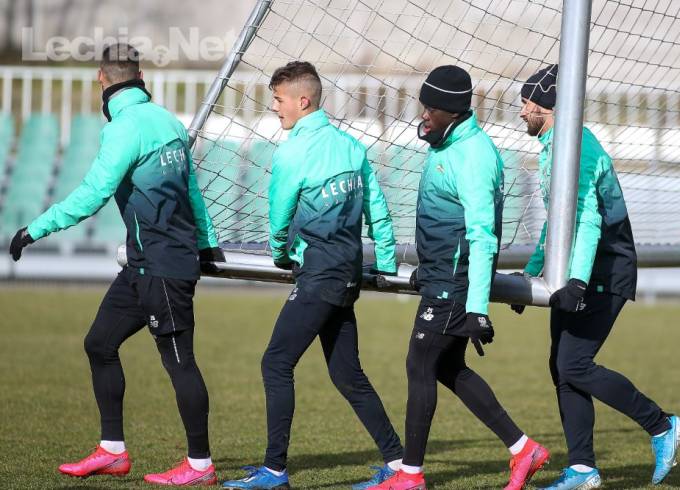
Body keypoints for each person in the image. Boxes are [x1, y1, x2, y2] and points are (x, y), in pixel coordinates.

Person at [8, 43, 224, 486]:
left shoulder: (123, 129)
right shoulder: (167, 120)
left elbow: (92, 194)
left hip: (163, 266)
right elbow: (193, 191)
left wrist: (34, 229)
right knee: (99, 344)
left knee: (179, 362)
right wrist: (207, 242)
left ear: (101, 79)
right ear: (140, 77)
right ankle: (112, 451)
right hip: (143, 266)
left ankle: (200, 465)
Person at [222, 61, 403, 490]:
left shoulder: (292, 152)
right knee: (347, 375)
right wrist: (387, 263)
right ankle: (400, 465)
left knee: (276, 363)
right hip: (348, 273)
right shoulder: (352, 146)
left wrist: (281, 256)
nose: (275, 107)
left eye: (279, 99)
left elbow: (280, 215)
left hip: (320, 274)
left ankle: (274, 471)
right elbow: (378, 210)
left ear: (302, 101)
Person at [370, 65, 549, 490]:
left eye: (431, 108)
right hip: (441, 277)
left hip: (456, 283)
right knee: (448, 367)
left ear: (453, 111)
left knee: (419, 364)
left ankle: (410, 475)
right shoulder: (446, 143)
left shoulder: (474, 156)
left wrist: (476, 309)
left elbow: (483, 237)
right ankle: (524, 449)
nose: (424, 115)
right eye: (423, 106)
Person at [515, 64, 680, 489]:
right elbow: (557, 223)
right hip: (579, 270)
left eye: (525, 103)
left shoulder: (577, 146)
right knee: (562, 367)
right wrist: (531, 273)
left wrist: (576, 281)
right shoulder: (553, 147)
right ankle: (582, 469)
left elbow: (589, 220)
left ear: (545, 105)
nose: (521, 112)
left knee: (573, 363)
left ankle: (662, 425)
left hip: (604, 269)